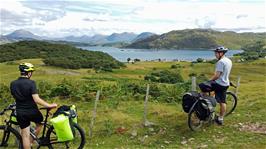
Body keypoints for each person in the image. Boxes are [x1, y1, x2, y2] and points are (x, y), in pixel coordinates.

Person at [10, 62, 57, 149]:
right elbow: (36, 99)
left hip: (20, 112)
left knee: (25, 136)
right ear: (29, 72)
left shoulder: (13, 83)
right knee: (39, 124)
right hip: (32, 111)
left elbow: (16, 97)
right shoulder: (31, 83)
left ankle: (29, 142)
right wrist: (49, 105)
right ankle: (32, 141)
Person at [199, 46, 232, 125]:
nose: (215, 55)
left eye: (216, 53)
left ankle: (207, 105)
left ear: (221, 53)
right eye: (215, 53)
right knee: (222, 101)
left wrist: (209, 81)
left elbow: (217, 76)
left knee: (202, 85)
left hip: (219, 84)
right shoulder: (229, 60)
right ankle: (220, 118)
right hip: (225, 83)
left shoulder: (220, 62)